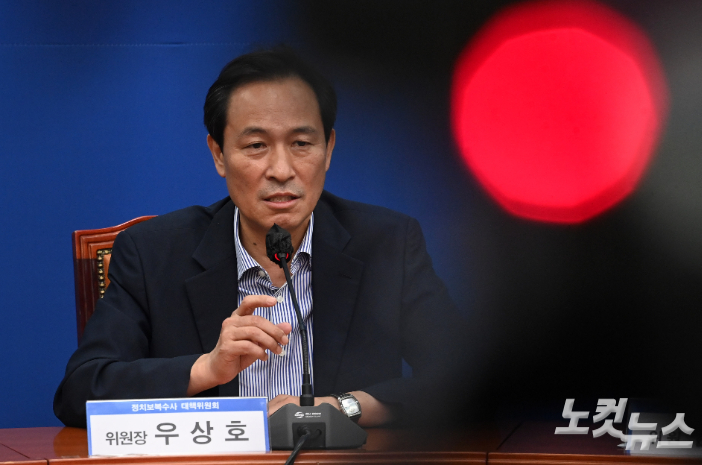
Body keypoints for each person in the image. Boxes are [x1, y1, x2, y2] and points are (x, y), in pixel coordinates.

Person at [54, 48, 463, 428]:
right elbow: (80, 391)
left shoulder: (386, 245)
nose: (281, 170)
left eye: (301, 143)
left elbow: (462, 377)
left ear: (329, 149)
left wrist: (340, 408)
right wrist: (206, 368)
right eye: (256, 145)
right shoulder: (153, 253)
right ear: (219, 154)